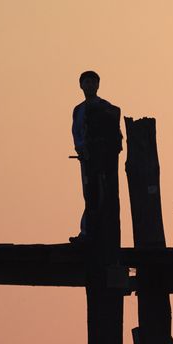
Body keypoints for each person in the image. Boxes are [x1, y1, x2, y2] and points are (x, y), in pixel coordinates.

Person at [70, 70, 123, 244]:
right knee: (90, 195)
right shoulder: (78, 110)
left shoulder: (107, 108)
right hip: (86, 159)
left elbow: (115, 135)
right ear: (81, 85)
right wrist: (81, 149)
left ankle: (100, 233)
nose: (90, 85)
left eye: (93, 82)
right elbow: (76, 133)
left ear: (98, 85)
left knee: (104, 195)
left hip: (104, 161)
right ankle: (87, 232)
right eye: (86, 82)